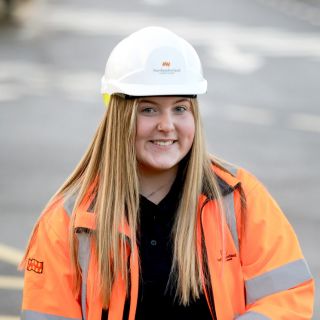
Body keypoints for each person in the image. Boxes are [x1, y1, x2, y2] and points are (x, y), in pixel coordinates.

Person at [20, 26, 314, 320]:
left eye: (180, 108)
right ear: (119, 117)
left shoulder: (239, 199)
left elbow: (287, 297)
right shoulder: (68, 220)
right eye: (148, 109)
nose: (166, 125)